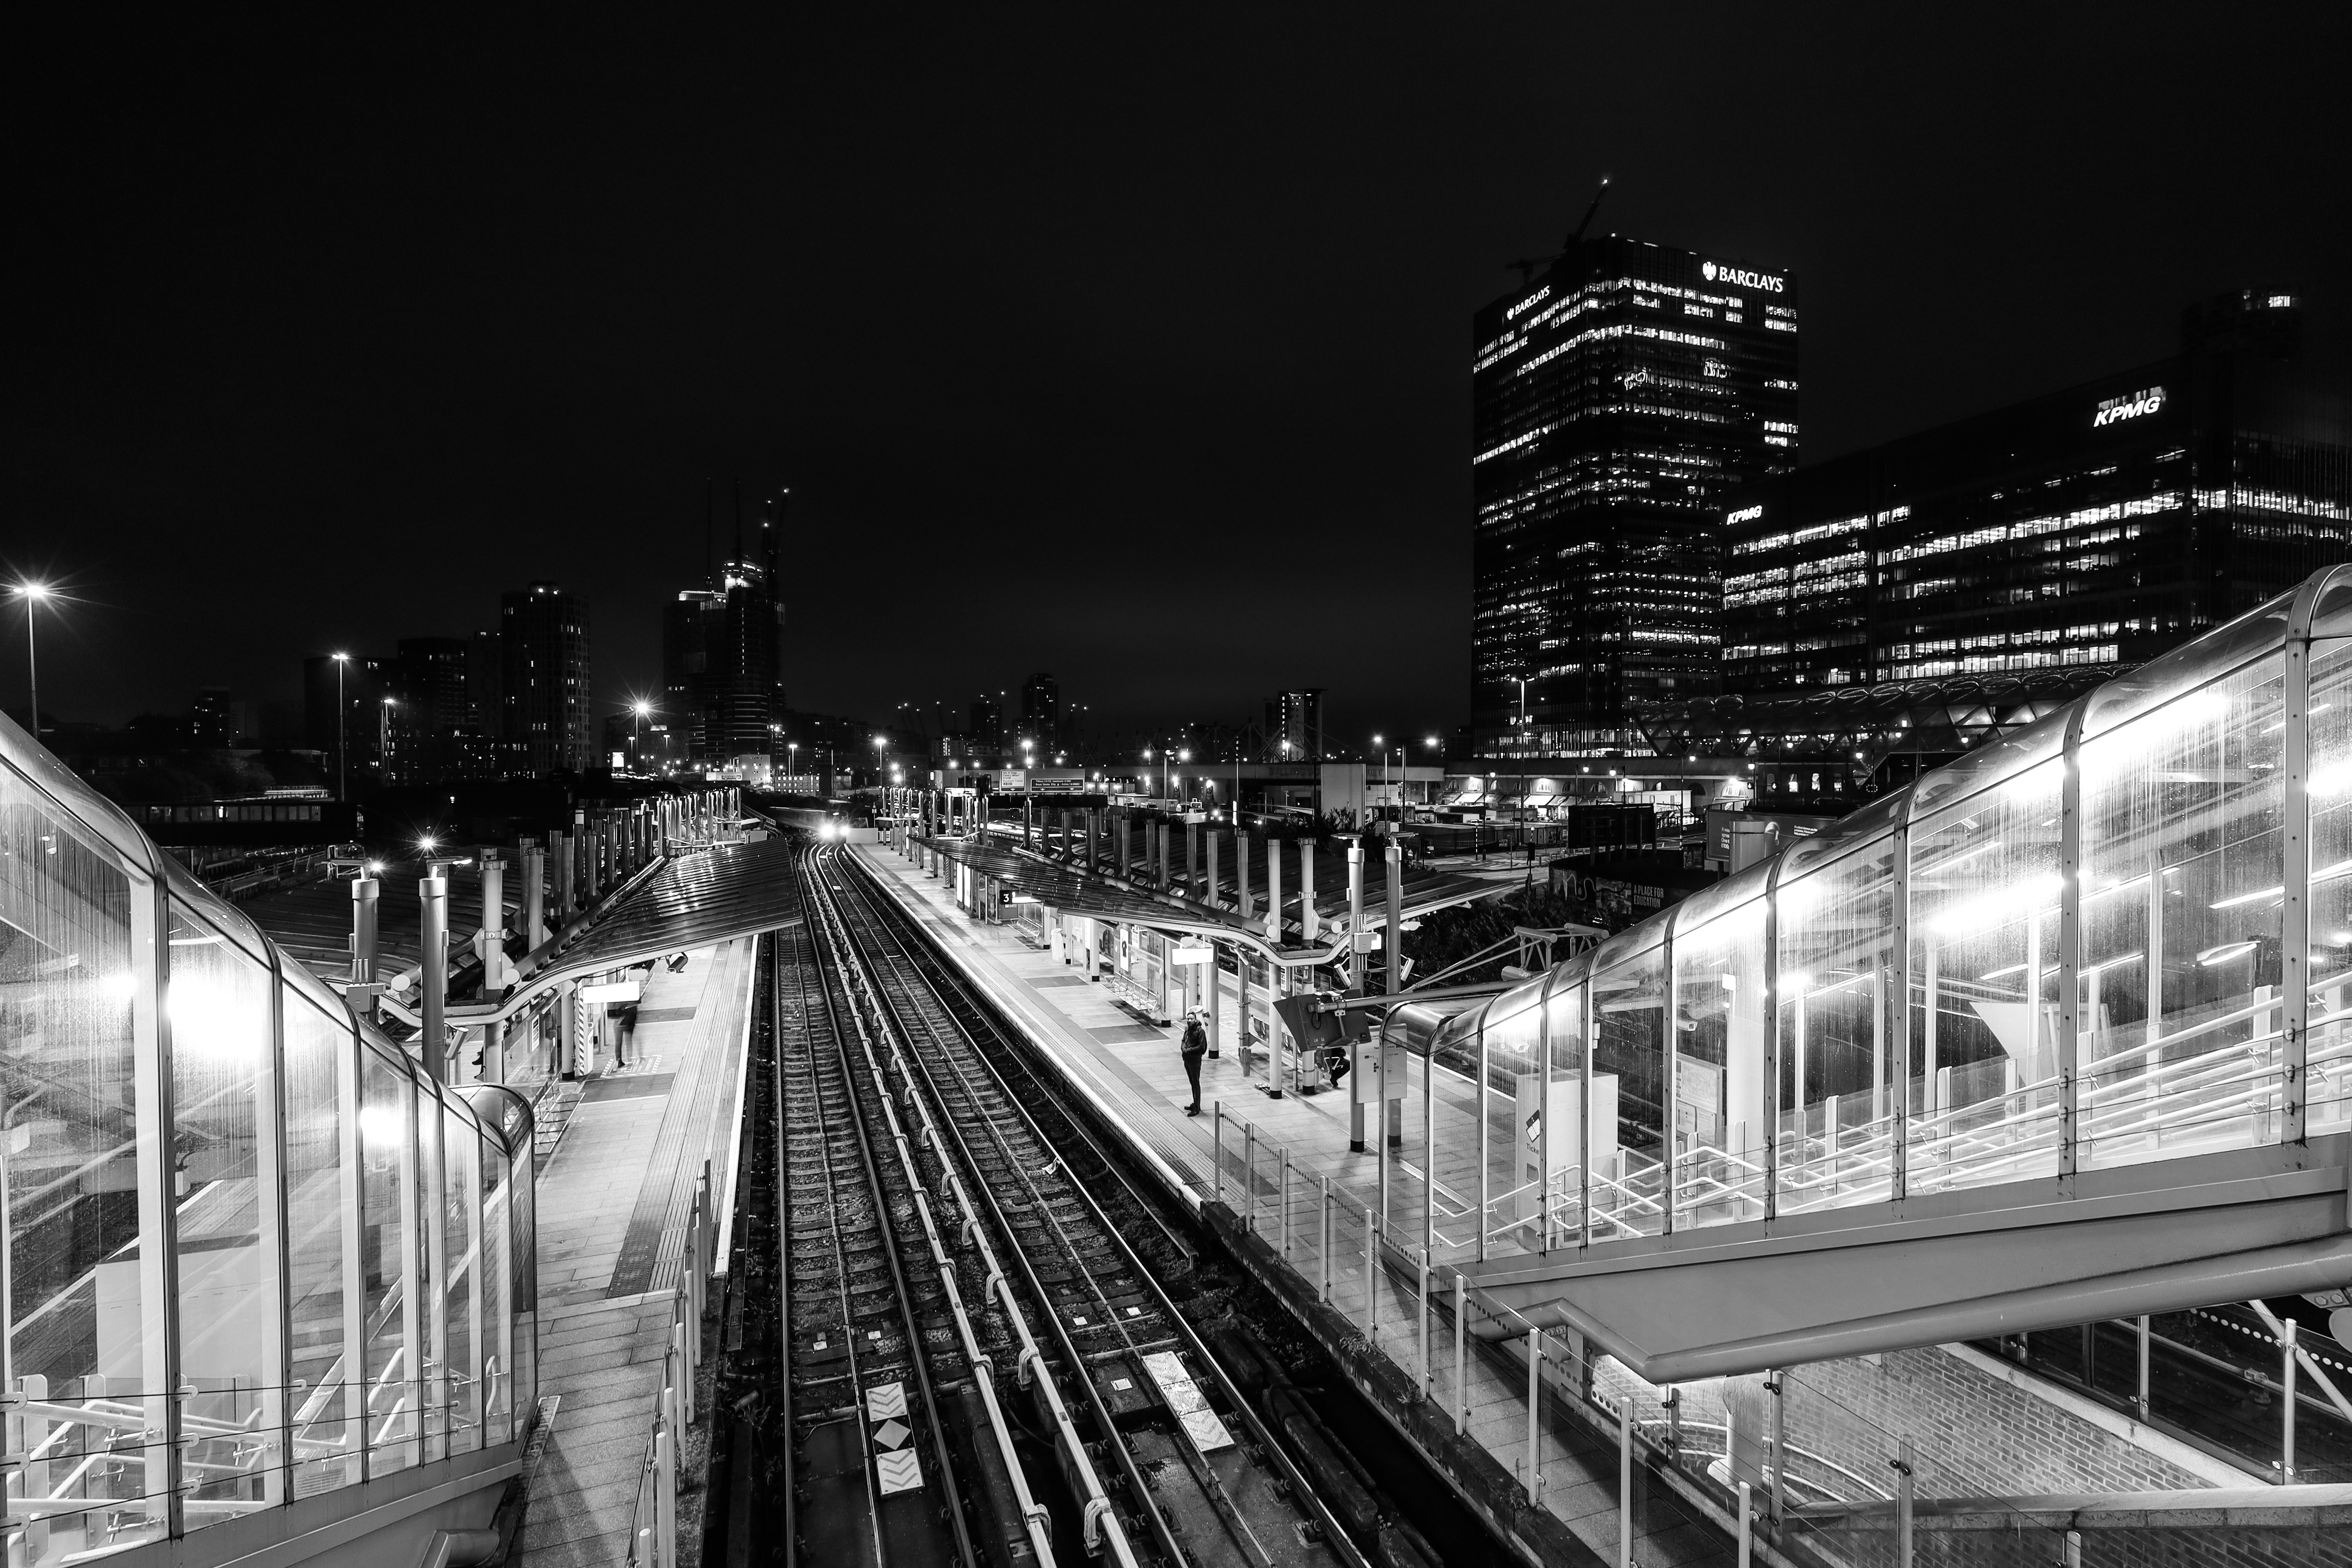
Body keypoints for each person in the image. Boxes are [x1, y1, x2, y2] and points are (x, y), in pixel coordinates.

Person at [1180, 1009, 1208, 1116]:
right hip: (1187, 1060)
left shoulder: (1200, 1031)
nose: (1189, 1021)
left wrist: (1189, 1051)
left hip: (1195, 1061)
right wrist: (1183, 1049)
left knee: (1196, 1083)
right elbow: (1184, 1041)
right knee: (1192, 1082)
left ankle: (1197, 1107)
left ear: (1196, 1020)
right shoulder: (1188, 1030)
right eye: (1188, 1019)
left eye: (1191, 1019)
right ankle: (1195, 1103)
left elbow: (1201, 1047)